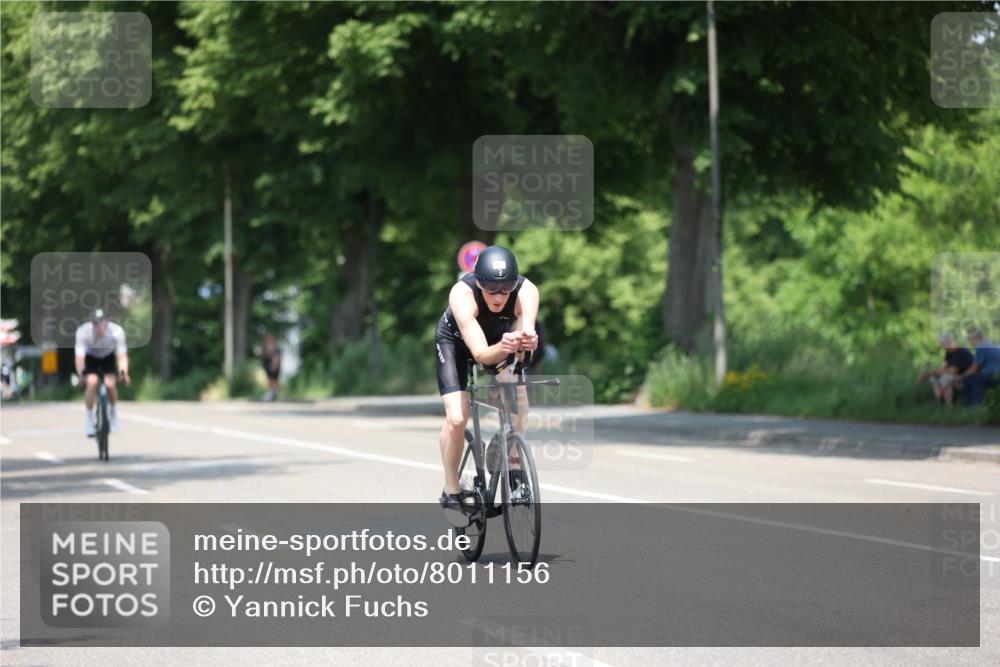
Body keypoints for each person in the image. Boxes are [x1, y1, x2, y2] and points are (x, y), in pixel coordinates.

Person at [434, 245, 539, 525]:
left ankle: (512, 465)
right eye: (491, 289)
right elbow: (481, 355)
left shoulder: (527, 292)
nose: (498, 296)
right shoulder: (462, 294)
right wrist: (506, 346)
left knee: (517, 395)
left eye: (505, 289)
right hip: (457, 344)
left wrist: (526, 344)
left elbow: (524, 344)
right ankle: (451, 490)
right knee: (458, 417)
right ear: (479, 282)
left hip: (500, 341)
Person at [74, 309, 130, 435]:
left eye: (102, 323)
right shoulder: (83, 332)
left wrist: (124, 373)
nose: (99, 327)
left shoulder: (117, 332)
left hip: (108, 355)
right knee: (92, 382)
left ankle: (113, 414)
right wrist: (81, 374)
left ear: (107, 322)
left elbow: (122, 356)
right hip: (91, 356)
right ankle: (89, 421)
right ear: (92, 324)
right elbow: (79, 358)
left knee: (110, 384)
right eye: (96, 324)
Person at [917, 332, 973, 407]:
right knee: (934, 378)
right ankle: (938, 399)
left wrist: (929, 373)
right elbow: (943, 366)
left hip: (966, 377)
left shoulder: (962, 352)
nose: (945, 346)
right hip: (956, 376)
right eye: (943, 344)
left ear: (951, 341)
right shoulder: (949, 352)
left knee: (946, 378)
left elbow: (952, 370)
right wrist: (934, 373)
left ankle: (949, 406)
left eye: (946, 344)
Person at [961, 327, 1000, 407]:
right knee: (976, 376)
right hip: (996, 375)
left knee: (971, 378)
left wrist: (961, 376)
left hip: (994, 376)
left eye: (969, 339)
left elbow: (974, 368)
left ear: (975, 338)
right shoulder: (992, 344)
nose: (969, 342)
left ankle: (974, 405)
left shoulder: (981, 347)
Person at [261, 332, 281, 401]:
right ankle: (273, 393)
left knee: (273, 380)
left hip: (272, 366)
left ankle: (273, 393)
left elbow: (276, 358)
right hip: (268, 366)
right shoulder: (267, 347)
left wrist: (274, 366)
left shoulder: (274, 348)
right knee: (271, 380)